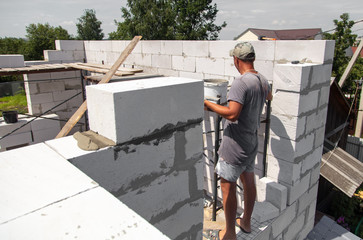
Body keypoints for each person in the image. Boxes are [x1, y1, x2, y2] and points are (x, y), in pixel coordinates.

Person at [204, 42, 272, 240]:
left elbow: (232, 114)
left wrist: (208, 103)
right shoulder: (262, 79)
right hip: (250, 142)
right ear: (252, 59)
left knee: (227, 186)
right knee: (248, 180)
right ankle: (247, 222)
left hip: (235, 145)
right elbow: (268, 96)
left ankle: (230, 234)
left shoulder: (241, 82)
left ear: (236, 59)